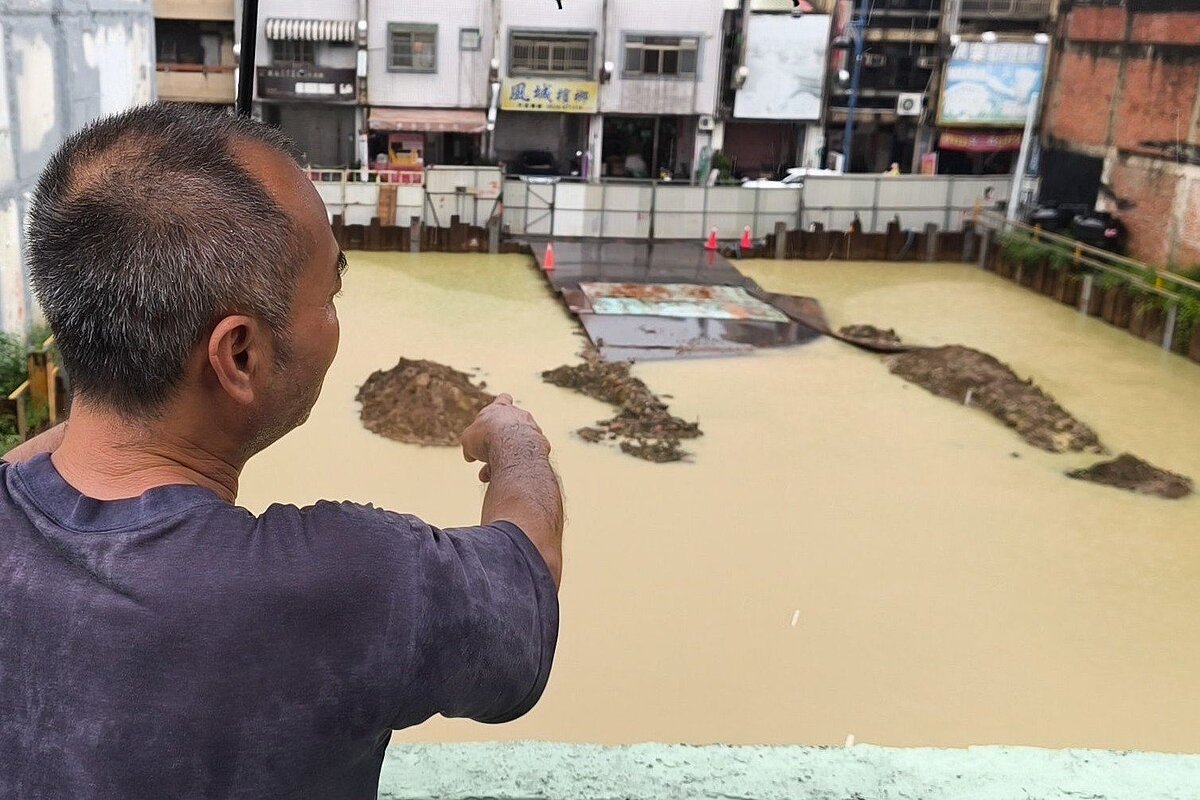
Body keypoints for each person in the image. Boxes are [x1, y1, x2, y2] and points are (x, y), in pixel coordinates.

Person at [0, 103, 563, 799]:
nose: (335, 315)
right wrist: (518, 446)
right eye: (330, 289)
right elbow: (526, 580)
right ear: (239, 354)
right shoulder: (348, 580)